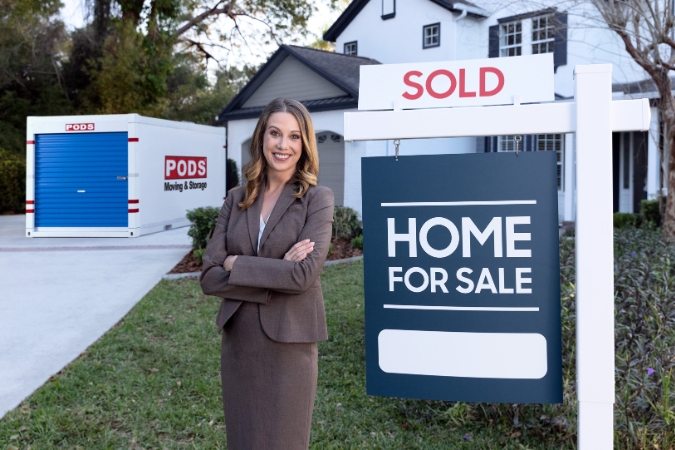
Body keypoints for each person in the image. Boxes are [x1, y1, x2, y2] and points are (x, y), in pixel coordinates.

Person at [199, 98, 334, 450]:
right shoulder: (236, 198)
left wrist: (237, 264)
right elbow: (209, 275)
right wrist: (277, 271)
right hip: (240, 339)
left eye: (293, 136)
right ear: (262, 137)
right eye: (275, 133)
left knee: (285, 440)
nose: (282, 145)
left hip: (291, 340)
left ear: (304, 144)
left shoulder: (318, 199)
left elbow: (303, 276)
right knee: (243, 439)